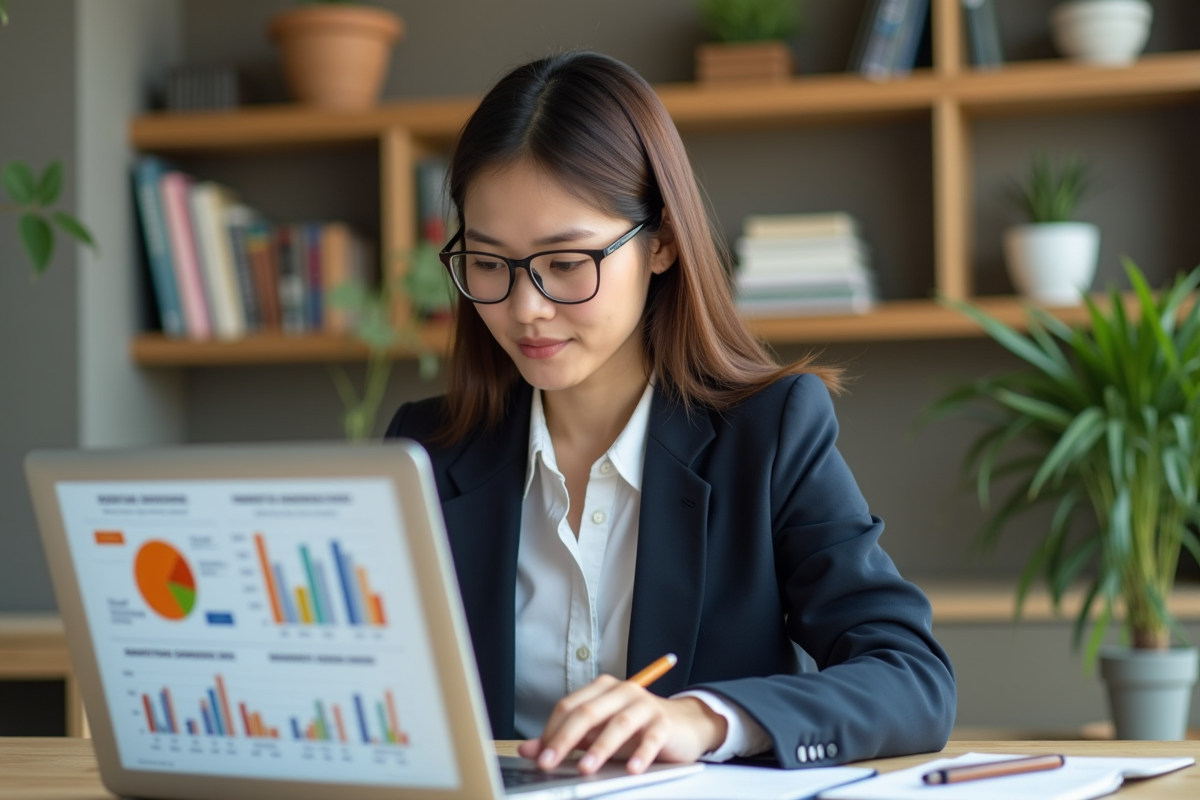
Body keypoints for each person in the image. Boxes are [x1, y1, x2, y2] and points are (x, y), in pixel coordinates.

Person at [385, 51, 955, 775]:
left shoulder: (769, 431)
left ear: (660, 244)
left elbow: (911, 676)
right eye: (490, 263)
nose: (525, 309)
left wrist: (707, 719)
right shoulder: (426, 452)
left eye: (566, 262)